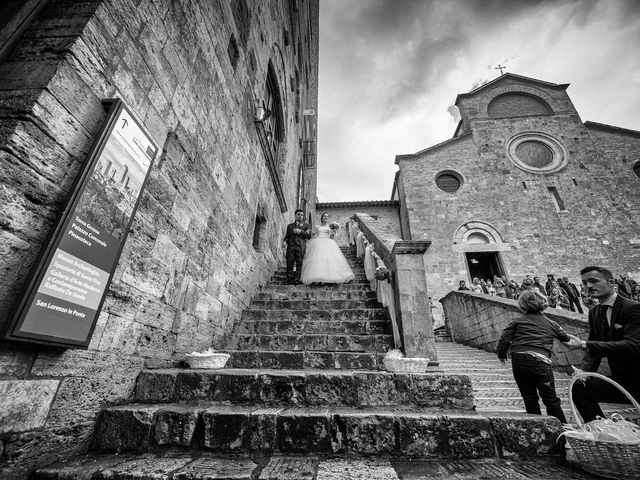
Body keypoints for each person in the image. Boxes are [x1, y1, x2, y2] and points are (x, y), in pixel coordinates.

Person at [496, 290, 582, 423]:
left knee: (529, 397)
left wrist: (502, 355)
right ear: (543, 303)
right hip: (540, 361)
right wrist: (581, 343)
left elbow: (504, 339)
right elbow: (567, 340)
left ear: (522, 305)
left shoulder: (517, 322)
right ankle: (562, 429)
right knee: (550, 399)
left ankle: (536, 427)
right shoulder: (552, 324)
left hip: (519, 360)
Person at [572, 266, 640, 423]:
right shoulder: (594, 313)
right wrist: (584, 373)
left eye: (593, 281)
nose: (588, 286)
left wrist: (584, 344)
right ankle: (603, 431)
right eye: (584, 282)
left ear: (611, 282)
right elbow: (594, 350)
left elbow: (633, 346)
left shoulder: (633, 308)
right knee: (580, 388)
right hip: (622, 380)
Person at [299, 213, 355, 284]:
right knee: (318, 259)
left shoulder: (330, 227)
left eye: (327, 216)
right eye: (324, 216)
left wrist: (334, 232)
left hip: (328, 242)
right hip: (318, 241)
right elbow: (315, 235)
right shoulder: (317, 226)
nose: (326, 217)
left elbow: (331, 237)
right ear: (322, 218)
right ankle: (318, 276)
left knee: (328, 259)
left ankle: (329, 276)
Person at [283, 209, 312, 284]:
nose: (300, 216)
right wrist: (284, 241)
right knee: (290, 262)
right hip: (291, 246)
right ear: (295, 215)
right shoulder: (290, 226)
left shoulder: (306, 225)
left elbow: (309, 236)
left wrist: (301, 231)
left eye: (301, 215)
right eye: (298, 214)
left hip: (300, 246)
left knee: (299, 263)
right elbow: (287, 236)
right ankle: (289, 279)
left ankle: (297, 279)